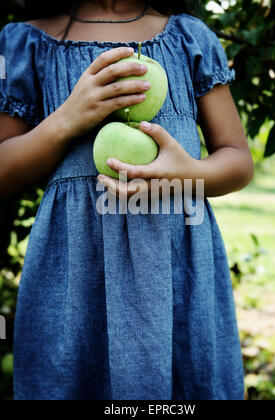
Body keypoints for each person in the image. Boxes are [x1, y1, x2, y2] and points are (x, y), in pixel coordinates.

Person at [0, 0, 254, 400]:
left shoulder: (188, 38)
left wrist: (187, 173)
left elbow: (238, 159)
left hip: (177, 272)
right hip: (77, 274)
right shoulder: (28, 42)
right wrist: (67, 118)